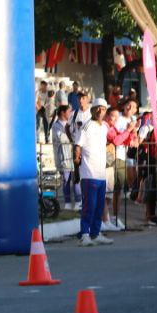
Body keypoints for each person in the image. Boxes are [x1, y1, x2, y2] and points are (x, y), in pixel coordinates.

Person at [75, 98, 113, 245]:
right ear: (92, 110)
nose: (100, 111)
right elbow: (78, 146)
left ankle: (95, 234)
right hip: (88, 172)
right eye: (97, 108)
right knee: (88, 205)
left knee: (99, 206)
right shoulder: (86, 126)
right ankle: (84, 234)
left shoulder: (104, 127)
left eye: (103, 109)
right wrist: (77, 165)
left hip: (101, 173)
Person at [51, 105, 78, 210]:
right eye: (69, 112)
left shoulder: (72, 124)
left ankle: (78, 201)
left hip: (73, 155)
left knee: (76, 179)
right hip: (63, 157)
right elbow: (62, 138)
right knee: (66, 180)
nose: (70, 114)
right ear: (62, 113)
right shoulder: (56, 126)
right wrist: (72, 136)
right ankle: (67, 202)